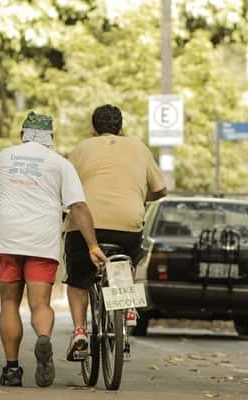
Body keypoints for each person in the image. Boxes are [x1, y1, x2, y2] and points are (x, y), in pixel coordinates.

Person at [0, 111, 106, 388]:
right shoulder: (61, 164)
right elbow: (78, 206)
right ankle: (43, 337)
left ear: (22, 135)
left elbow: (1, 189)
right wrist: (92, 245)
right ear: (51, 137)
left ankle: (12, 370)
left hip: (5, 237)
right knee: (40, 304)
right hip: (41, 239)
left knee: (8, 303)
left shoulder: (2, 158)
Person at [64, 104, 167, 361]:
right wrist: (140, 196)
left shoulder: (80, 149)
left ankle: (79, 332)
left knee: (77, 279)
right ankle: (128, 305)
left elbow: (66, 190)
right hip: (127, 222)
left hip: (85, 225)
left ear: (92, 129)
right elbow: (161, 191)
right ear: (121, 129)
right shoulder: (139, 148)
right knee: (128, 257)